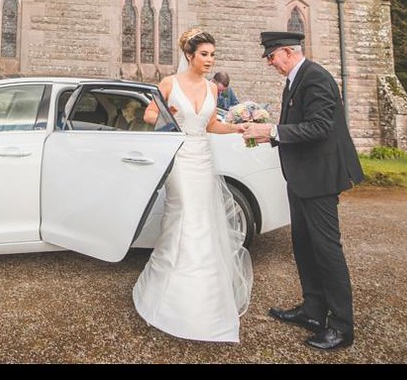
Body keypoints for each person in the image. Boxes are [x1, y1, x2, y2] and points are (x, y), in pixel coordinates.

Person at [242, 31, 364, 351]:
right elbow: (299, 125)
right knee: (304, 245)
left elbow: (321, 127)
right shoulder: (296, 79)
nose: (270, 63)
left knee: (326, 250)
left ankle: (341, 326)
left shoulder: (315, 78)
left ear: (287, 51)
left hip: (320, 178)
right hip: (301, 177)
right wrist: (272, 134)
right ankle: (313, 311)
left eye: (271, 57)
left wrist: (271, 130)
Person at [132, 28, 253, 342]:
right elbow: (147, 115)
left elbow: (211, 124)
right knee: (184, 212)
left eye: (212, 54)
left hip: (203, 157)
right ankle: (170, 293)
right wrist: (165, 116)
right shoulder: (169, 83)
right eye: (204, 54)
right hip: (180, 159)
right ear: (189, 55)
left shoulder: (214, 89)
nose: (210, 60)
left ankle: (206, 296)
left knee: (204, 219)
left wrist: (236, 128)